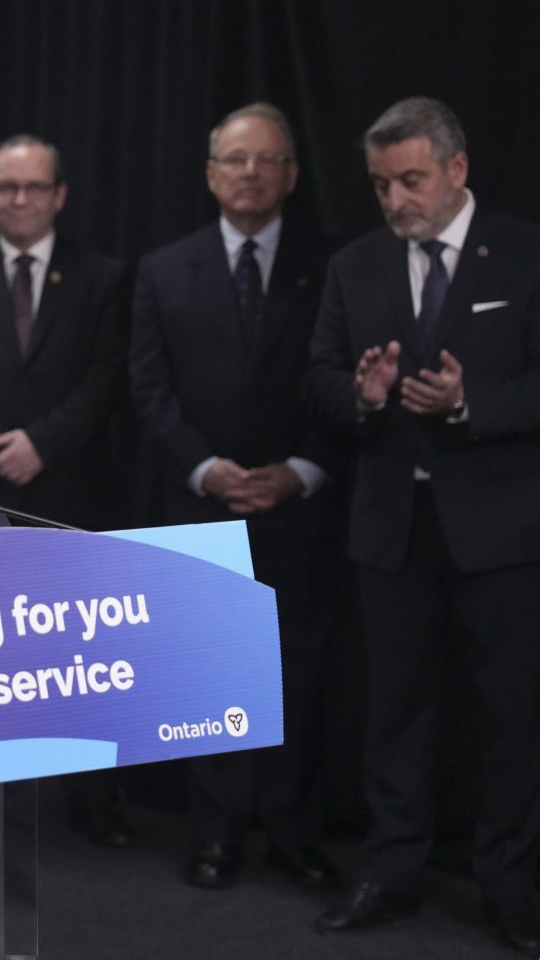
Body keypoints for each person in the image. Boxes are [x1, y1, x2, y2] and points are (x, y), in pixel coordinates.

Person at [306, 97, 540, 953]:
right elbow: (321, 379)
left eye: (410, 180)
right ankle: (392, 874)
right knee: (394, 714)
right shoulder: (357, 265)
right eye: (380, 185)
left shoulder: (524, 252)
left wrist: (470, 400)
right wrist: (363, 399)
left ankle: (511, 888)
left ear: (456, 169)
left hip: (504, 536)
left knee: (513, 719)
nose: (395, 200)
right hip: (391, 530)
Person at [130, 102, 342, 892]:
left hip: (301, 507)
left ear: (291, 174)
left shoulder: (335, 264)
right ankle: (214, 835)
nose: (250, 173)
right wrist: (206, 467)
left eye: (267, 160)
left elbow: (349, 386)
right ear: (211, 174)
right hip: (200, 505)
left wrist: (302, 469)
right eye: (235, 160)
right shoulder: (163, 267)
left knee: (300, 677)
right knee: (207, 680)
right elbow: (147, 391)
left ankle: (291, 833)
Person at [0, 133, 132, 846]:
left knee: (86, 659)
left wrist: (44, 441)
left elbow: (108, 377)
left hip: (73, 489)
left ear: (59, 196)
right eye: (7, 187)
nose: (20, 199)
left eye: (34, 187)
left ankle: (94, 808)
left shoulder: (103, 277)